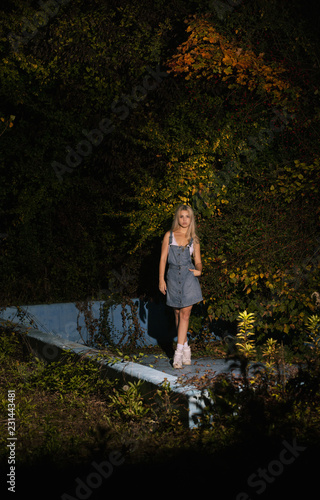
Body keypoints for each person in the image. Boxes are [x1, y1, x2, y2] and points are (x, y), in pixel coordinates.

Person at [159, 204, 203, 368]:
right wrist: (161, 280)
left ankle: (177, 354)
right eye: (181, 216)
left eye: (188, 216)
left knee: (185, 314)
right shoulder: (169, 236)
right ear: (177, 218)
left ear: (191, 219)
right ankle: (186, 348)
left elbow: (198, 261)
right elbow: (163, 259)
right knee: (177, 314)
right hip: (171, 277)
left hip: (188, 278)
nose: (184, 220)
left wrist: (199, 270)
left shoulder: (194, 238)